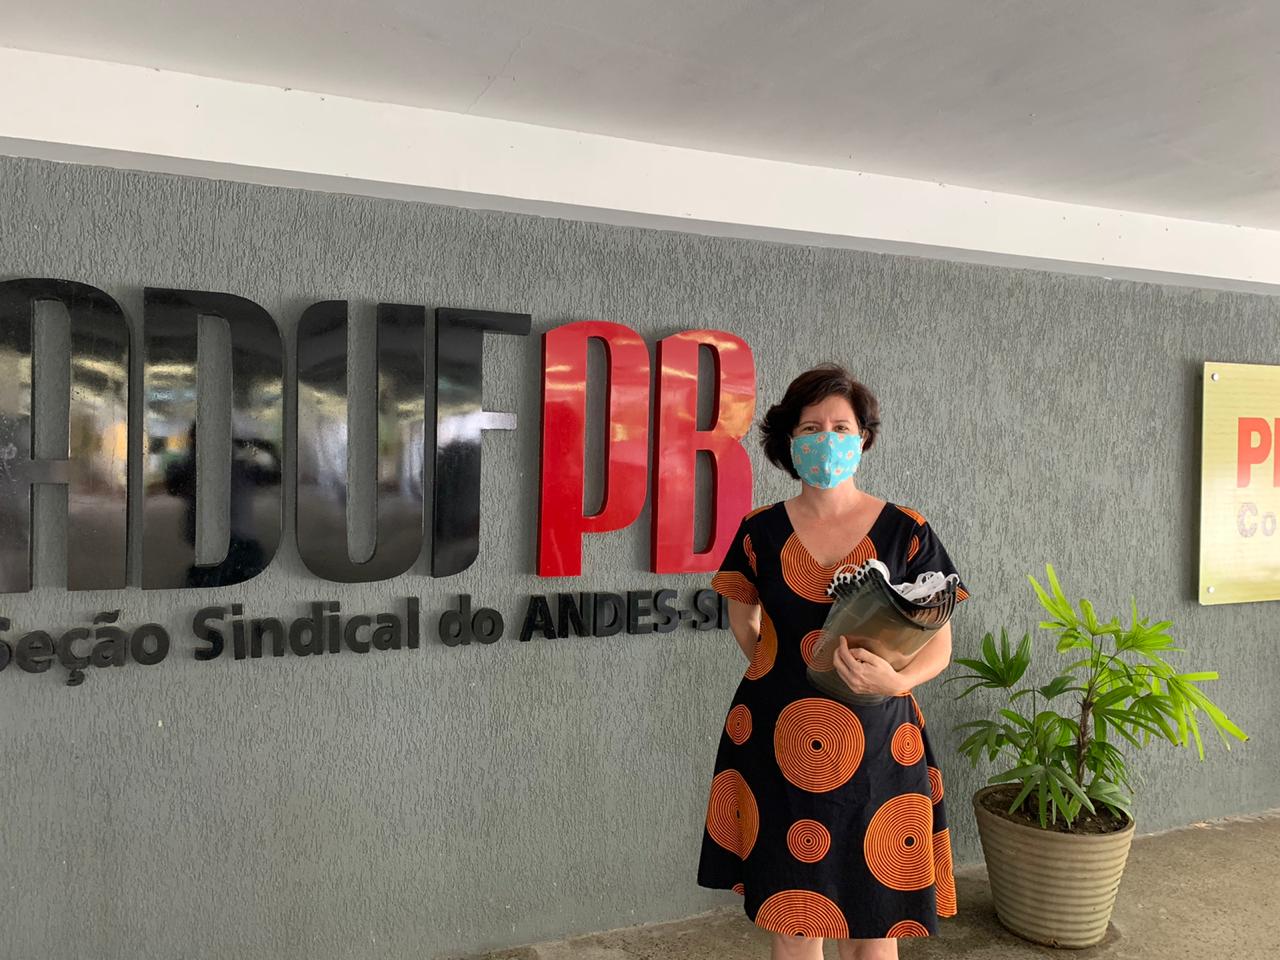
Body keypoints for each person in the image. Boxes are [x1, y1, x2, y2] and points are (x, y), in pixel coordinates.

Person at [696, 363, 970, 959]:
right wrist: (781, 670)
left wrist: (896, 679)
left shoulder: (907, 531)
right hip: (779, 742)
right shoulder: (759, 531)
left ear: (863, 438)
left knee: (876, 921)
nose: (828, 439)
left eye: (841, 427)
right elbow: (742, 616)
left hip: (881, 745)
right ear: (788, 440)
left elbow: (939, 643)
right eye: (811, 427)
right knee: (795, 916)